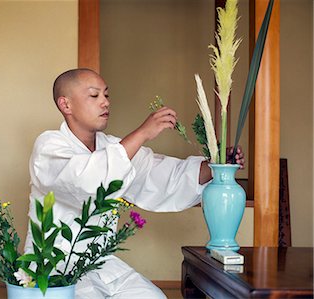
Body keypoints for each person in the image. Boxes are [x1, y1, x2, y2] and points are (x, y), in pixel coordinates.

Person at [24, 68, 245, 299]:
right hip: (54, 266)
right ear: (65, 105)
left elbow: (159, 175)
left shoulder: (112, 147)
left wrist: (214, 166)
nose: (105, 103)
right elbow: (86, 183)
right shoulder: (49, 146)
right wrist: (142, 133)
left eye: (106, 95)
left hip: (101, 264)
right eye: (94, 95)